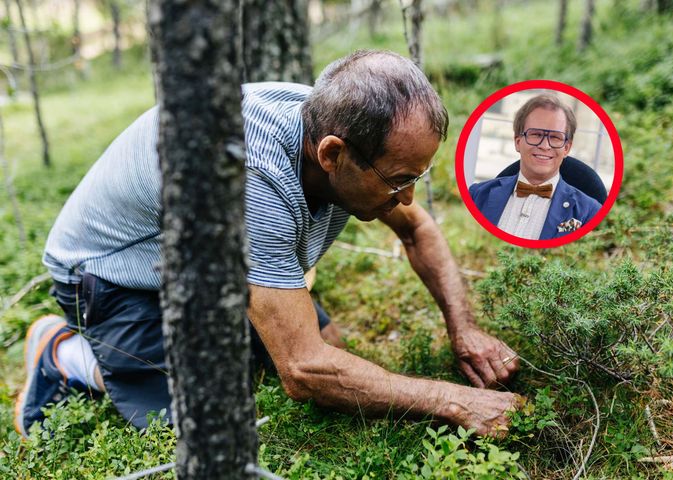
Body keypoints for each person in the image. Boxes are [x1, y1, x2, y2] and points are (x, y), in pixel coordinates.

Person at [15, 50, 520, 439]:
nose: (406, 196)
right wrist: (457, 403)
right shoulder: (250, 178)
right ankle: (64, 354)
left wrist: (465, 330)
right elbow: (304, 372)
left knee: (334, 349)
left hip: (204, 264)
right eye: (398, 180)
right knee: (210, 416)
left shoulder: (338, 123)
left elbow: (418, 230)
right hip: (112, 276)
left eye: (416, 176)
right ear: (332, 154)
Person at [469, 94, 602, 240]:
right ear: (518, 142)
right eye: (536, 135)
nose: (545, 146)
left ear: (567, 148)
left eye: (555, 137)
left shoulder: (591, 213)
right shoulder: (477, 195)